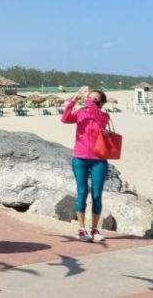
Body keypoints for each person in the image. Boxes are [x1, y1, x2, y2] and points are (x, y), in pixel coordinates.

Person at [61, 87, 111, 243]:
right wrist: (74, 99)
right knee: (82, 192)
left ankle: (95, 229)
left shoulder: (103, 116)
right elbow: (65, 118)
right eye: (91, 99)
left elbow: (97, 117)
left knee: (97, 194)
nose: (92, 102)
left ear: (101, 103)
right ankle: (82, 229)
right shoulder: (81, 113)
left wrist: (87, 99)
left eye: (96, 100)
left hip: (99, 159)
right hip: (80, 158)